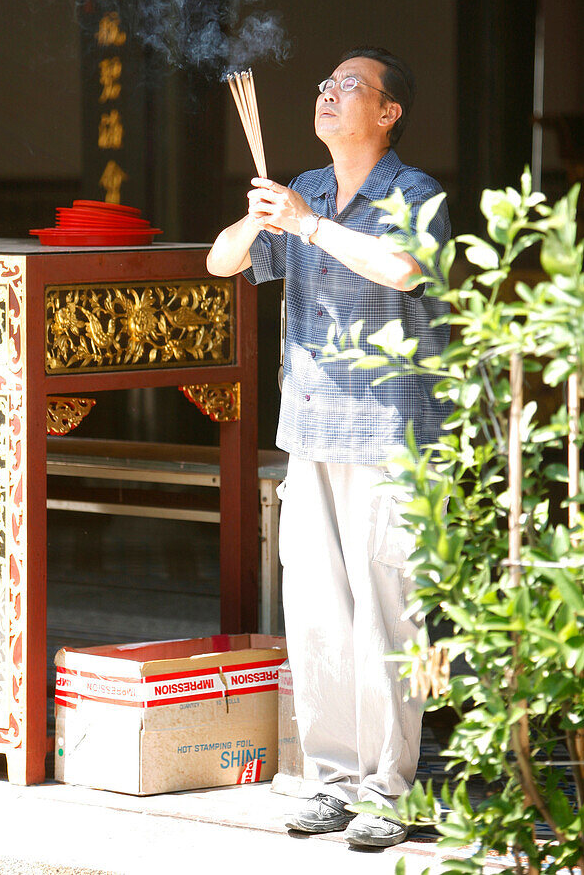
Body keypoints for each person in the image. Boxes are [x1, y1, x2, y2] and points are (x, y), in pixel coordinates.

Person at [206, 47, 450, 849]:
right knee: (316, 614)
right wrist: (260, 215)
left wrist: (309, 226)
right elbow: (223, 261)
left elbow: (406, 269)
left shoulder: (415, 193)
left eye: (349, 87)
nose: (327, 95)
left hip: (389, 433)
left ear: (388, 113)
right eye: (324, 84)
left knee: (389, 614)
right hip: (309, 428)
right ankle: (332, 783)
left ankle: (390, 790)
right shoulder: (303, 189)